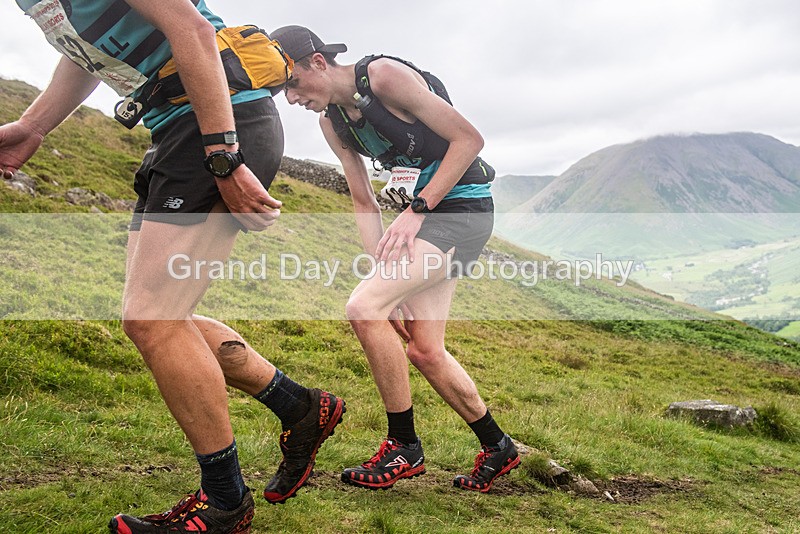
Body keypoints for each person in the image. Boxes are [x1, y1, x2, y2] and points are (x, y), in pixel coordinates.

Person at [1, 3, 345, 533]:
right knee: (158, 317)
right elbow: (85, 53)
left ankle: (227, 503)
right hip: (180, 126)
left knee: (154, 319)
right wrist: (33, 126)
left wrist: (224, 156)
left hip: (217, 125)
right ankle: (299, 407)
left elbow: (191, 28)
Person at [269, 25, 520, 493]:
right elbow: (364, 202)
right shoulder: (333, 123)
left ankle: (403, 444)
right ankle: (498, 446)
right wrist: (387, 280)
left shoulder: (383, 76)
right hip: (423, 223)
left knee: (362, 309)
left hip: (460, 211)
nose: (290, 98)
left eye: (293, 83)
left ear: (318, 63)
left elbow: (469, 140)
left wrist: (417, 208)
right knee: (425, 349)